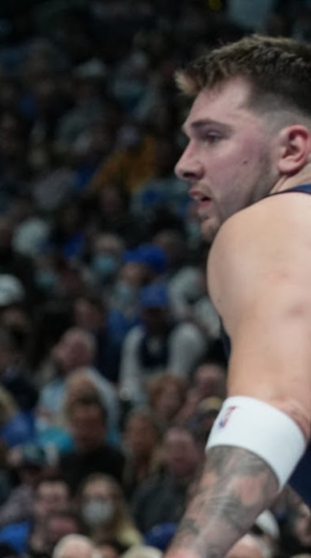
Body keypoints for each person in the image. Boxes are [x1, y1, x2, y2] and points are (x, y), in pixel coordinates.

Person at [166, 35, 311, 556]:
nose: (185, 164)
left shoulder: (275, 219)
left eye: (212, 137)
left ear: (292, 150)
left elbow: (276, 406)